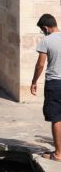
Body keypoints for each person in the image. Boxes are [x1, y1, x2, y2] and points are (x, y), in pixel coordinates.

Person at [31, 14, 61, 161]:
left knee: (56, 117)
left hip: (55, 83)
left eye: (42, 30)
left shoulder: (46, 41)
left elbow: (40, 65)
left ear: (45, 28)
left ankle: (58, 154)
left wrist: (34, 81)